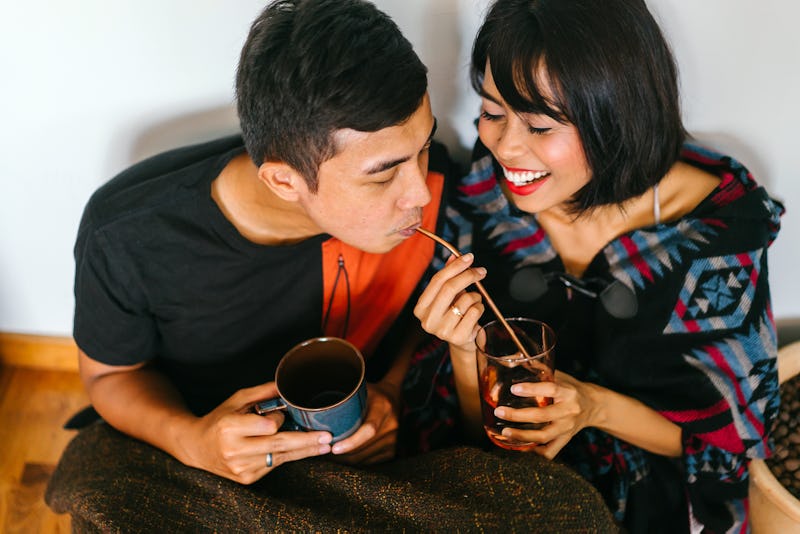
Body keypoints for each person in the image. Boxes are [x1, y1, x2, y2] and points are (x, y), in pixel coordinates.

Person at [412, 0, 785, 532]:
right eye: (493, 112)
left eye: (540, 126)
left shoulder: (720, 232)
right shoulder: (480, 201)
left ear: (616, 116)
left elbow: (728, 444)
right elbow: (476, 445)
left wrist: (593, 407)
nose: (505, 147)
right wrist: (459, 348)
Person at [66, 0, 453, 484]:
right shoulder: (126, 235)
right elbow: (110, 376)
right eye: (382, 177)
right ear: (284, 182)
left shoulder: (430, 185)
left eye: (422, 149)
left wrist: (392, 392)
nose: (420, 190)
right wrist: (192, 441)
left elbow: (423, 316)